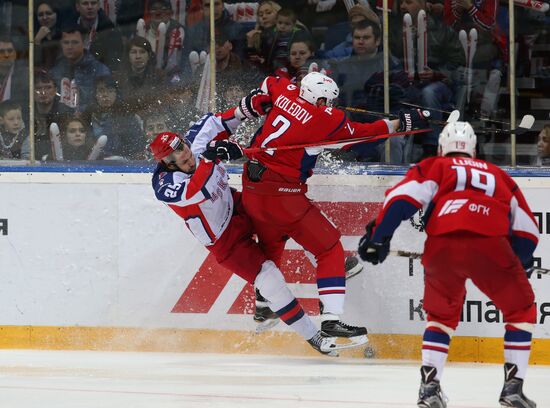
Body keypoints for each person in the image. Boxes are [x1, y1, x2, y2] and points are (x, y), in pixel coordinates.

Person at [240, 72, 430, 347]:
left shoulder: (285, 91)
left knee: (271, 251)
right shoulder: (325, 121)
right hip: (282, 196)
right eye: (328, 101)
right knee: (328, 247)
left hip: (252, 189)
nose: (331, 107)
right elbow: (365, 135)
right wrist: (403, 122)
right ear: (318, 98)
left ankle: (263, 305)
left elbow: (270, 81)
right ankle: (330, 320)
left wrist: (265, 101)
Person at [358, 121, 539, 407]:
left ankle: (429, 389)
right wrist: (522, 260)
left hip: (442, 246)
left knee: (441, 318)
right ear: (475, 151)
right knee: (521, 310)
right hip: (490, 245)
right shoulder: (499, 175)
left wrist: (379, 238)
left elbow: (400, 199)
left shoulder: (436, 166)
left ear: (442, 147)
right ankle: (512, 389)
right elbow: (527, 229)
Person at [148, 105, 338, 356]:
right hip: (224, 239)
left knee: (279, 208)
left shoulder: (195, 143)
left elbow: (217, 121)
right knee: (271, 280)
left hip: (236, 204)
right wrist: (213, 156)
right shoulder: (164, 184)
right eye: (174, 158)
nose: (184, 155)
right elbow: (194, 190)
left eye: (182, 147)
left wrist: (251, 106)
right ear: (165, 163)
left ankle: (328, 262)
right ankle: (314, 337)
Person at [49, 25, 111, 112]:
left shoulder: (100, 70)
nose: (70, 46)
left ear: (83, 43)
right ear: (61, 44)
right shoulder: (55, 72)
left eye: (75, 42)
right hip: (61, 120)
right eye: (66, 42)